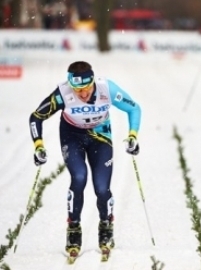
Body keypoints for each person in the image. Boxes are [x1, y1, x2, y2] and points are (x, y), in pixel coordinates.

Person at [28, 61, 141, 257]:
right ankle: (73, 229)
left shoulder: (107, 88)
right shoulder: (63, 93)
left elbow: (134, 109)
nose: (82, 94)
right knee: (79, 177)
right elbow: (36, 117)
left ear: (93, 82)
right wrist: (38, 145)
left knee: (102, 188)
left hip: (100, 137)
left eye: (86, 88)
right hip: (72, 136)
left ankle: (106, 225)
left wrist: (133, 135)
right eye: (77, 89)